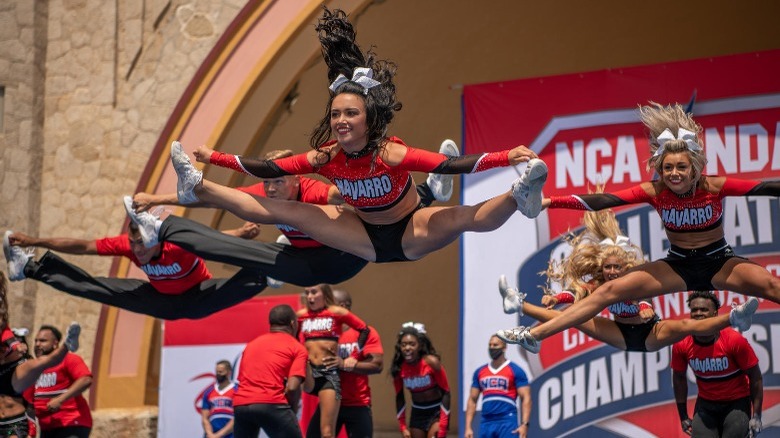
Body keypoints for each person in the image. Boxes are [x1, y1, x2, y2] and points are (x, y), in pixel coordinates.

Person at [164, 7, 547, 264]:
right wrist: (213, 157)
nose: (341, 120)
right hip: (361, 234)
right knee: (286, 210)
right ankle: (196, 188)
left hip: (409, 230)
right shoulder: (326, 158)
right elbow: (268, 168)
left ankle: (519, 195)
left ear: (369, 119)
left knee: (464, 217)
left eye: (351, 113)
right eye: (335, 114)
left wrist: (505, 156)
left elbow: (451, 163)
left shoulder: (391, 153)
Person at [505, 101, 780, 353]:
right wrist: (551, 201)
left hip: (719, 261)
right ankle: (535, 334)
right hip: (678, 265)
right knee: (607, 292)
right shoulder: (655, 190)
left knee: (770, 285)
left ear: (694, 167)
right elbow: (604, 200)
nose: (674, 174)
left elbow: (766, 187)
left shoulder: (714, 186)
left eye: (681, 167)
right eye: (667, 167)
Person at [126, 143, 457, 289]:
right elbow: (214, 201)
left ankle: (430, 189)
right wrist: (156, 198)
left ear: (295, 179)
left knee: (381, 221)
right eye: (266, 182)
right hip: (302, 260)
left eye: (278, 182)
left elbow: (369, 195)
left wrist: (412, 190)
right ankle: (164, 227)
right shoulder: (266, 195)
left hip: (340, 255)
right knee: (252, 244)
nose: (270, 189)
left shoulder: (315, 191)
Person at [497, 207, 759, 351]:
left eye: (616, 267)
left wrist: (645, 309)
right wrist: (557, 297)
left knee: (687, 326)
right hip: (619, 333)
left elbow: (644, 302)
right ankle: (518, 306)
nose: (612, 272)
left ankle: (735, 318)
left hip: (650, 332)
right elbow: (576, 296)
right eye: (608, 267)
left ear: (626, 268)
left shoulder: (633, 282)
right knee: (573, 317)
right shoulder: (600, 286)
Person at [3, 220, 267, 320]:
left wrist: (243, 233)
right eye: (133, 243)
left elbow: (218, 240)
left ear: (156, 240)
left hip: (197, 295)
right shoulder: (127, 246)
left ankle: (266, 273)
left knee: (228, 288)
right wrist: (34, 241)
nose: (137, 250)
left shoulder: (178, 245)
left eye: (142, 244)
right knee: (98, 288)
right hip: (159, 299)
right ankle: (29, 268)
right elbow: (83, 246)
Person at [672, 291, 763, 438]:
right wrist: (683, 416)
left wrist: (757, 416)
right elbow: (679, 378)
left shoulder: (734, 341)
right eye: (694, 310)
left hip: (736, 403)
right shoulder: (681, 344)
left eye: (703, 310)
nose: (698, 313)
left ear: (715, 314)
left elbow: (755, 377)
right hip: (706, 405)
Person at [298, 284, 370, 438]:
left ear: (324, 293)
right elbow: (289, 337)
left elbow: (364, 329)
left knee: (327, 432)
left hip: (329, 375)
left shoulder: (336, 313)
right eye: (307, 293)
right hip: (310, 374)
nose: (310, 297)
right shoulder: (301, 315)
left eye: (314, 292)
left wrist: (354, 357)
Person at [232, 304, 307, 438]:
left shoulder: (251, 345)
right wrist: (292, 412)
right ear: (293, 324)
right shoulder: (297, 348)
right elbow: (292, 387)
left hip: (241, 405)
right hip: (270, 403)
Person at [27, 325, 92, 438]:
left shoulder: (68, 359)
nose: (37, 344)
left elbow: (86, 379)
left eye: (43, 341)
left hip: (71, 423)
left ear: (55, 343)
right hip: (47, 428)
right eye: (36, 341)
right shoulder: (34, 368)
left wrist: (61, 399)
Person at [465, 334, 531, 438]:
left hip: (507, 420)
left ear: (504, 348)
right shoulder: (480, 372)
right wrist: (468, 427)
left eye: (495, 345)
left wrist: (525, 424)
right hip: (486, 421)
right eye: (490, 345)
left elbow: (526, 398)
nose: (492, 348)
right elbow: (472, 400)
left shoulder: (516, 370)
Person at [391, 322, 450, 438]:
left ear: (420, 346)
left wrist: (443, 425)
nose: (407, 348)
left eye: (412, 344)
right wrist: (402, 426)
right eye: (404, 345)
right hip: (418, 412)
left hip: (437, 411)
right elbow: (399, 397)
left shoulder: (431, 363)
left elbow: (446, 393)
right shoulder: (399, 368)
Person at [201, 360, 236, 438]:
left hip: (231, 435)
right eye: (216, 372)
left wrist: (218, 435)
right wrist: (210, 434)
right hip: (212, 433)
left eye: (220, 372)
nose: (218, 374)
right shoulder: (209, 391)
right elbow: (205, 418)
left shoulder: (236, 390)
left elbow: (237, 417)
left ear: (229, 372)